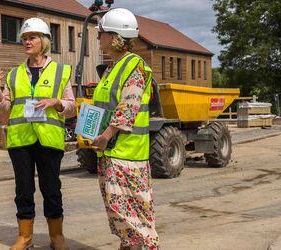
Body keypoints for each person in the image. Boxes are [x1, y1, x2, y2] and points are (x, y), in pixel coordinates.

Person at [0, 18, 76, 250]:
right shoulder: (13, 74)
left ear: (44, 41)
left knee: (51, 190)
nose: (27, 42)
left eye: (32, 37)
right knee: (23, 190)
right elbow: (5, 109)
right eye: (24, 38)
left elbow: (72, 106)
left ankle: (56, 236)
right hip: (20, 141)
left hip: (48, 140)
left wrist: (56, 102)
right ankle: (25, 237)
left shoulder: (61, 71)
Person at [91, 8, 160, 250]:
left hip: (127, 154)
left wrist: (106, 134)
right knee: (118, 211)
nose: (98, 37)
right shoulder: (112, 67)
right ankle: (130, 246)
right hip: (111, 152)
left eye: (101, 33)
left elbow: (128, 107)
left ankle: (147, 246)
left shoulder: (134, 65)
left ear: (114, 36)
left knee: (133, 214)